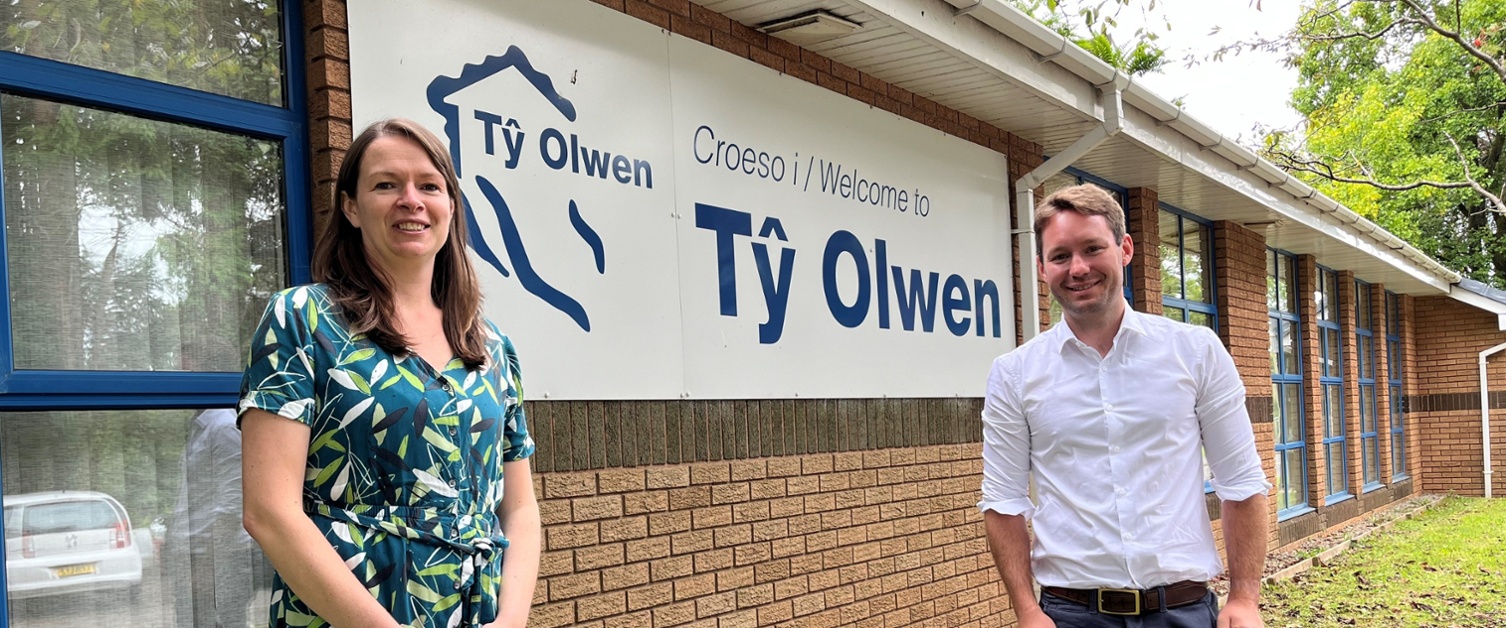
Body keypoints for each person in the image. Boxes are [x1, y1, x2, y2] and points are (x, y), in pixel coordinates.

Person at [238, 118, 540, 628]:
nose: (411, 200)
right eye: (386, 184)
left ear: (450, 208)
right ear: (351, 207)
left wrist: (510, 621)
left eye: (430, 185)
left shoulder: (491, 348)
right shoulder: (303, 321)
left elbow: (519, 509)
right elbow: (269, 513)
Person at [979, 184, 1271, 628]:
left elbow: (1242, 481)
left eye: (1092, 248)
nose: (1077, 268)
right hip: (1070, 616)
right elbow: (1003, 501)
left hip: (1182, 612)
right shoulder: (1015, 373)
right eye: (1060, 256)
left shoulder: (1195, 352)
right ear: (1041, 268)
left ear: (1125, 248)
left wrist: (1245, 598)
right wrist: (1026, 611)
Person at [168, 407, 270, 627]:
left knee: (223, 621)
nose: (184, 369)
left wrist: (210, 564)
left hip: (214, 555)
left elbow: (232, 506)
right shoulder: (201, 425)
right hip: (196, 552)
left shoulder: (224, 426)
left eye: (188, 368)